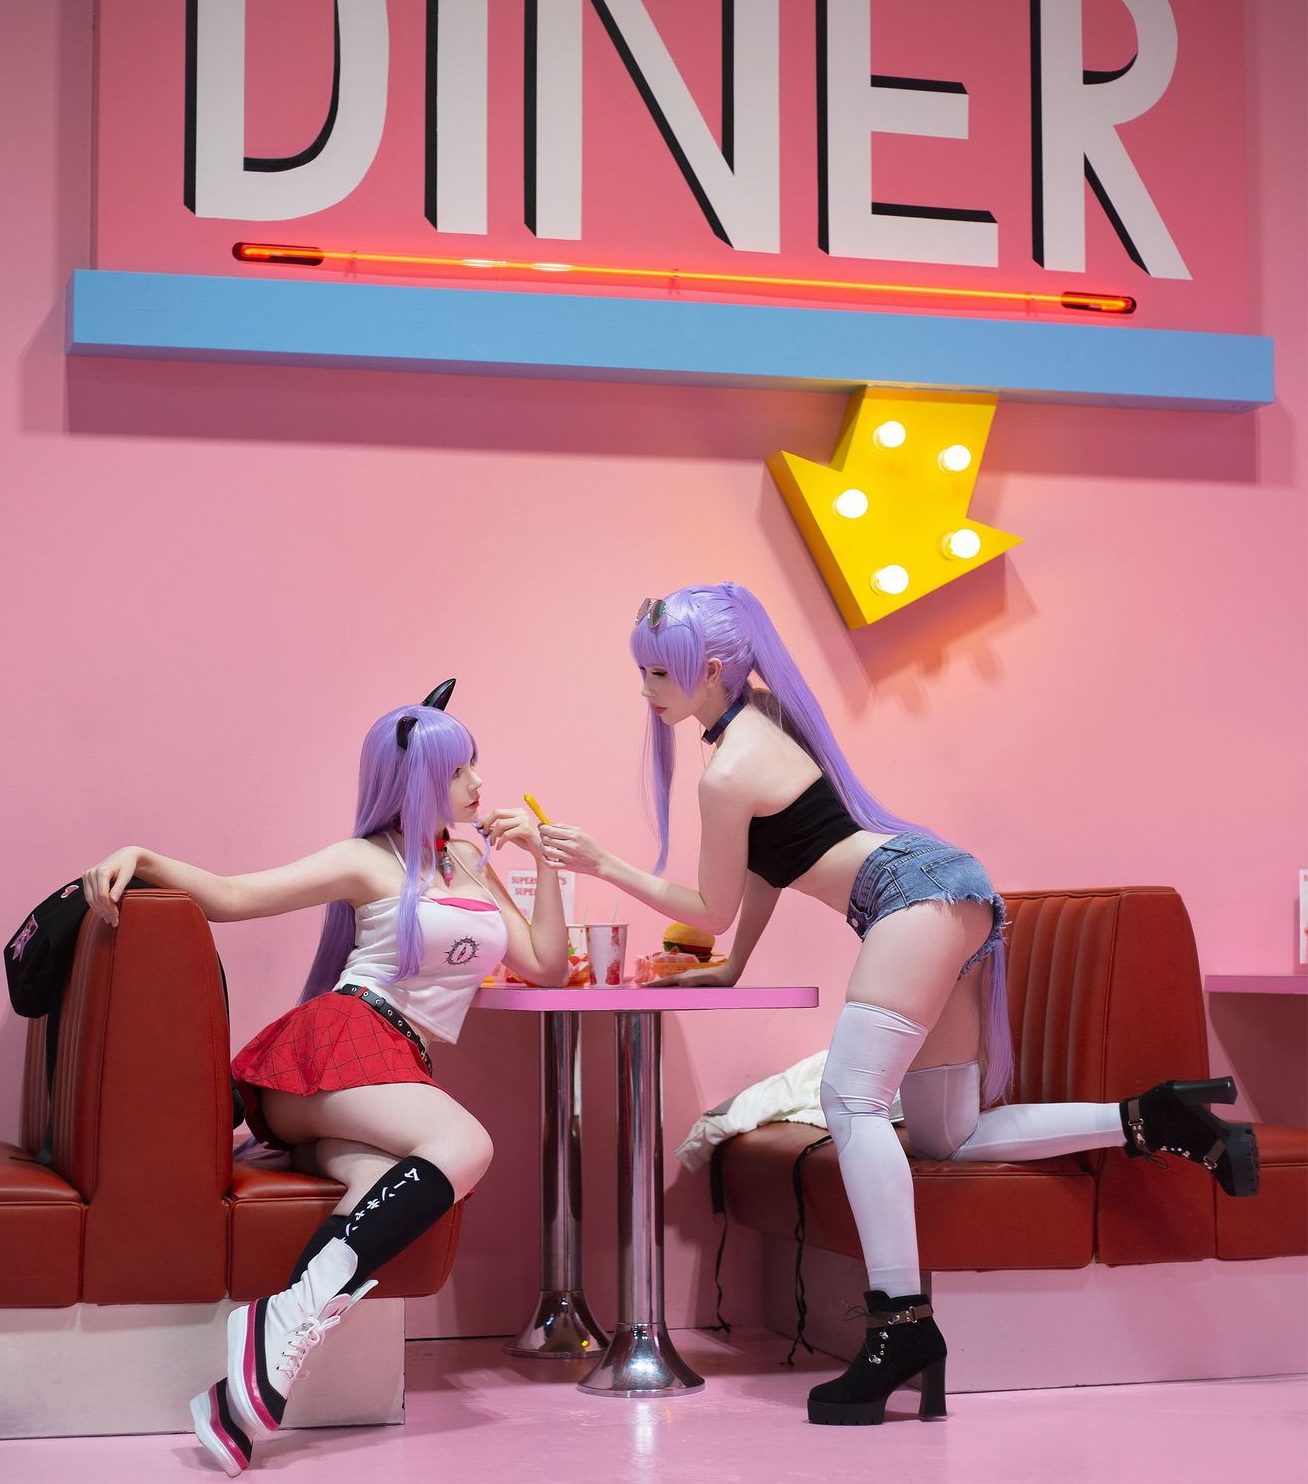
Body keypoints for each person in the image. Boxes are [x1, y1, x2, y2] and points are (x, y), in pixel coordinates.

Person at [538, 583, 1258, 1428]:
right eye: (645, 671)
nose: (648, 689)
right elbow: (769, 866)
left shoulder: (730, 766)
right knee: (947, 1134)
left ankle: (899, 1326)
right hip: (939, 887)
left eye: (661, 671)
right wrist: (733, 969)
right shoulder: (756, 726)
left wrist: (600, 863)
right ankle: (1153, 1117)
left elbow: (710, 903)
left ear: (716, 669)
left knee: (851, 1099)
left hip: (911, 897)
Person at [83, 695, 567, 1473]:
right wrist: (142, 854)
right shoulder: (367, 859)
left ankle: (248, 1387)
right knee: (466, 1143)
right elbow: (234, 896)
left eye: (475, 764)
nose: (478, 782)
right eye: (458, 769)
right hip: (339, 1040)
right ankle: (279, 1326)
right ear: (416, 781)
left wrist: (542, 861)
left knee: (379, 1183)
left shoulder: (467, 863)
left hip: (389, 1067)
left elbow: (545, 963)